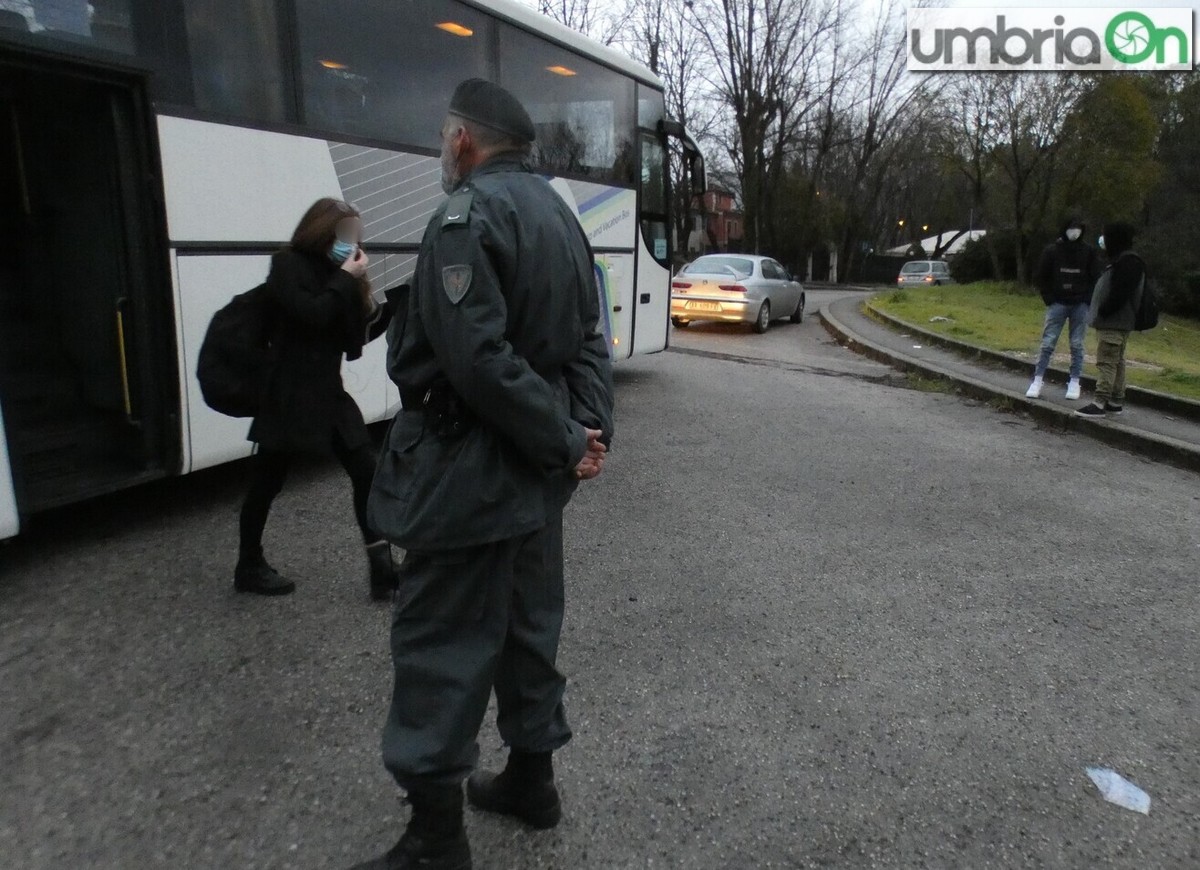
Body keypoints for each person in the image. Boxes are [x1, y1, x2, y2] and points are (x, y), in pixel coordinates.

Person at [352, 79, 614, 870]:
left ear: (464, 140)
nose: (441, 148)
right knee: (527, 627)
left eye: (443, 136)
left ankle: (436, 838)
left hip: (473, 470)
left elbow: (479, 362)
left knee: (440, 639)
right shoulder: (559, 213)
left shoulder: (465, 216)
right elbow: (586, 337)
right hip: (535, 473)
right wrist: (584, 433)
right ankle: (533, 783)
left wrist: (569, 438)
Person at [235, 198, 398, 599]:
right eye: (345, 235)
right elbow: (308, 314)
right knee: (267, 481)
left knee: (366, 471)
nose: (352, 243)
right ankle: (248, 564)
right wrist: (346, 279)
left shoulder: (339, 274)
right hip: (288, 393)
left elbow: (348, 341)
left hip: (328, 392)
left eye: (356, 237)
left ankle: (381, 567)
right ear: (322, 232)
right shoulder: (288, 265)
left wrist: (382, 307)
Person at [1025, 217, 1102, 400]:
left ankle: (1075, 381)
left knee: (1077, 344)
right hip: (1057, 303)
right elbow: (1041, 276)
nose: (1074, 232)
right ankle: (1037, 379)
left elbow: (1095, 277)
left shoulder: (1088, 252)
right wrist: (1049, 298)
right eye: (1071, 228)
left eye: (1078, 228)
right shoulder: (1052, 251)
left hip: (1080, 304)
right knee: (1048, 343)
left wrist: (1086, 300)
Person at [1076, 222, 1146, 418]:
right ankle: (1115, 400)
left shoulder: (1127, 262)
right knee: (1118, 361)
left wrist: (1104, 311)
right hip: (1119, 322)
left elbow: (1119, 294)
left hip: (1114, 322)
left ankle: (1100, 402)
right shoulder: (1126, 260)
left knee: (1107, 361)